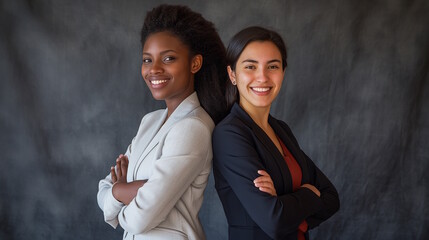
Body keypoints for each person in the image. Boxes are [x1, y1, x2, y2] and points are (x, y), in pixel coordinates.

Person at [97, 4, 227, 240]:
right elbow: (103, 189)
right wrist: (122, 190)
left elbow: (140, 219)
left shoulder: (194, 127)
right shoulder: (150, 121)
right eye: (147, 60)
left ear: (194, 64)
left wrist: (118, 197)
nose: (154, 69)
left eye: (168, 58)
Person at [212, 26, 340, 240]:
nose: (262, 77)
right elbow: (274, 221)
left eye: (272, 66)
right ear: (232, 74)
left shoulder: (281, 130)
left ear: (282, 73)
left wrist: (283, 202)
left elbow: (332, 199)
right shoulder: (229, 134)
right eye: (250, 67)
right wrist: (309, 192)